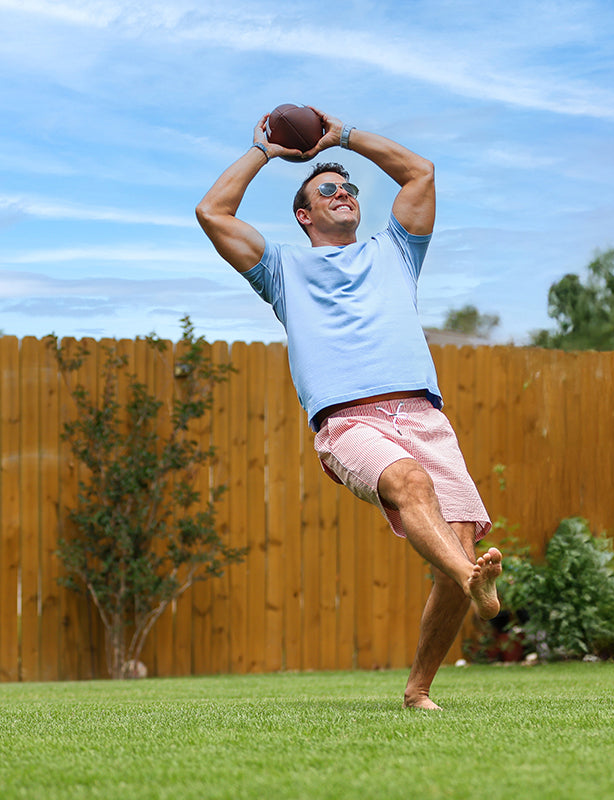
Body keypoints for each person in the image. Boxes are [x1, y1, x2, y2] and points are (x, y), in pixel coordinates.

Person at [196, 107, 502, 709]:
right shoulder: (282, 269)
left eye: (350, 189)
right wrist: (265, 151)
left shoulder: (396, 253)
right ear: (304, 215)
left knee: (455, 545)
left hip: (423, 416)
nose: (345, 194)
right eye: (328, 189)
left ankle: (418, 690)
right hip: (349, 422)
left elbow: (420, 174)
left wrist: (344, 139)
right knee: (410, 488)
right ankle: (474, 579)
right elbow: (213, 212)